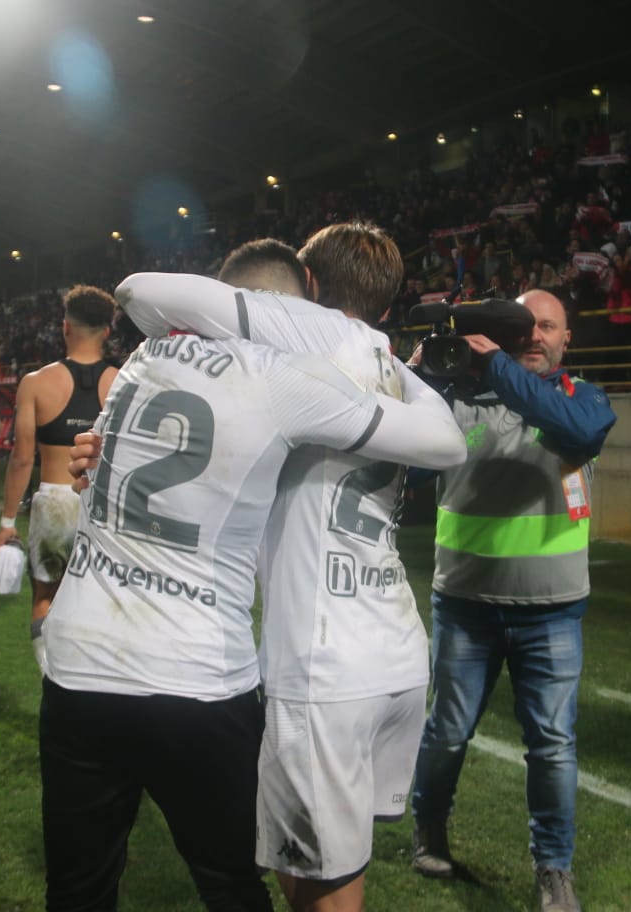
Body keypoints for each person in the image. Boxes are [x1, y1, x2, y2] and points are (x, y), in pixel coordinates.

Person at [37, 282, 466, 912]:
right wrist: (387, 356)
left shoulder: (147, 354)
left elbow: (135, 294)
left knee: (77, 891)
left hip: (79, 666)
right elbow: (447, 443)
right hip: (198, 678)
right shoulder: (288, 378)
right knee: (234, 885)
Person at [408, 290, 617, 912]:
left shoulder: (584, 401)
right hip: (465, 604)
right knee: (447, 733)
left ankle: (553, 869)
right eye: (522, 328)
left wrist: (493, 362)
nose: (533, 337)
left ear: (566, 338)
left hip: (551, 609)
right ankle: (428, 829)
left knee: (552, 744)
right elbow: (394, 442)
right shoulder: (456, 397)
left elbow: (577, 430)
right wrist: (420, 371)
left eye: (546, 326)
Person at [0, 286, 117, 627]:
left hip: (54, 503)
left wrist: (6, 523)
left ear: (65, 327)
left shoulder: (35, 382)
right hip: (99, 506)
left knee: (45, 597)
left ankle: (49, 675)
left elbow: (20, 458)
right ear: (107, 331)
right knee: (96, 600)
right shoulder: (123, 383)